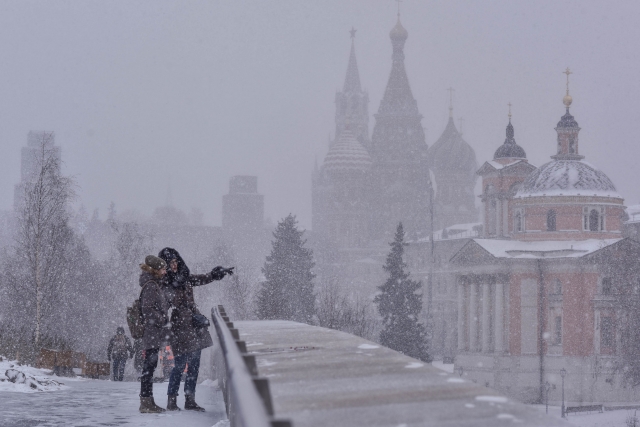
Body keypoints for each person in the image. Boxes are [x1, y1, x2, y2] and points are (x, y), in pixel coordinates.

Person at [158, 247, 233, 412]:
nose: (174, 265)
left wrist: (215, 274)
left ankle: (190, 399)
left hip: (194, 326)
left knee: (194, 365)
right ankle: (172, 400)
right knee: (179, 366)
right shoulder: (165, 285)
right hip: (179, 328)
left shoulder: (184, 278)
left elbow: (201, 279)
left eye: (176, 261)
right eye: (170, 263)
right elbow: (163, 308)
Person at [138, 255, 170, 414]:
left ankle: (148, 402)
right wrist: (162, 318)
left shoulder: (154, 284)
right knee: (149, 368)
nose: (165, 272)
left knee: (150, 367)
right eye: (163, 269)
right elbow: (147, 309)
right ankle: (145, 403)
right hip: (152, 332)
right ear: (156, 270)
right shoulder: (151, 286)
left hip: (153, 332)